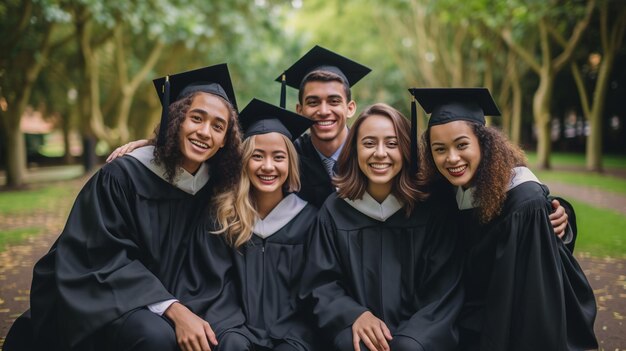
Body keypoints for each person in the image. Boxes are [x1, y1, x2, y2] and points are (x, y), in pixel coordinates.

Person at [5, 64, 247, 351]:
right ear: (176, 119)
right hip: (112, 296)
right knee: (156, 337)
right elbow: (99, 255)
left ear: (224, 141)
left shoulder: (216, 187)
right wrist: (173, 308)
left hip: (183, 295)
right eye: (196, 118)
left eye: (218, 126)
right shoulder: (123, 176)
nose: (205, 132)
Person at [414, 87, 598, 350]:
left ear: (485, 144)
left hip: (513, 329)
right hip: (467, 322)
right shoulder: (447, 191)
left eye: (462, 145)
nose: (451, 158)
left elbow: (537, 297)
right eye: (439, 149)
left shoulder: (524, 201)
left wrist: (561, 213)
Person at [299, 103, 464, 351]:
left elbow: (444, 288)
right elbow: (320, 284)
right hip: (357, 336)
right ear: (354, 149)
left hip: (419, 335)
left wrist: (411, 338)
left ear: (407, 149)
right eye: (368, 143)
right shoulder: (335, 211)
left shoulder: (432, 210)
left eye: (392, 143)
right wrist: (354, 315)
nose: (380, 153)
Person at [197, 98, 319, 350]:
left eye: (278, 157)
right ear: (243, 161)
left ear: (291, 163)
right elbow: (213, 286)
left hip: (293, 337)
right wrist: (232, 331)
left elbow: (314, 292)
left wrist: (293, 337)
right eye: (257, 156)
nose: (268, 166)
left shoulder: (310, 220)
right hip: (233, 334)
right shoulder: (222, 217)